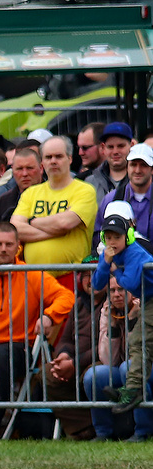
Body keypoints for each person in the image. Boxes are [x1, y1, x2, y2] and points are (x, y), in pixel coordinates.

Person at [0, 222, 74, 397]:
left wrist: (48, 317)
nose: (3, 249)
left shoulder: (32, 274)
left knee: (1, 356)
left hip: (18, 349)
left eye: (9, 244)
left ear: (18, 247)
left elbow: (67, 297)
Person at [58, 276, 151, 441]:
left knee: (128, 368)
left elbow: (136, 355)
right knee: (95, 375)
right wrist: (113, 326)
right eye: (112, 290)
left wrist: (131, 321)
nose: (116, 295)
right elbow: (108, 360)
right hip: (124, 366)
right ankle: (103, 433)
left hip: (146, 368)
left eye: (121, 289)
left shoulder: (145, 308)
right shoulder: (107, 312)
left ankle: (142, 431)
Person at [11, 137, 98, 275]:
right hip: (34, 279)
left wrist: (31, 221)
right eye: (48, 157)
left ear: (69, 159)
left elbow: (64, 223)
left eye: (58, 156)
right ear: (42, 162)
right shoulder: (30, 193)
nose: (53, 161)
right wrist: (55, 230)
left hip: (72, 276)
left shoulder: (85, 190)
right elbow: (15, 230)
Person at [95, 213, 153, 416]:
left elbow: (129, 284)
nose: (112, 242)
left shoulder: (135, 252)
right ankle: (132, 389)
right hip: (148, 299)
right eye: (108, 237)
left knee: (139, 341)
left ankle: (133, 390)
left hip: (150, 299)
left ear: (127, 237)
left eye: (117, 237)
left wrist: (115, 271)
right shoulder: (109, 253)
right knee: (138, 342)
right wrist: (105, 263)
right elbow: (96, 284)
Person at [96, 141, 153, 238]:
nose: (138, 170)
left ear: (152, 170)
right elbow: (98, 235)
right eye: (133, 165)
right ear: (127, 167)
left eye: (143, 165)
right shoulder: (111, 199)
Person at [0, 146, 42, 226]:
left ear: (41, 168)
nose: (24, 174)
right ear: (12, 170)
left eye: (29, 168)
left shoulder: (54, 197)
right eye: (19, 169)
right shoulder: (2, 202)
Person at [87, 121, 134, 198]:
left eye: (121, 146)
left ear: (131, 146)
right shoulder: (90, 182)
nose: (115, 152)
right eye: (110, 147)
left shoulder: (143, 180)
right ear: (103, 148)